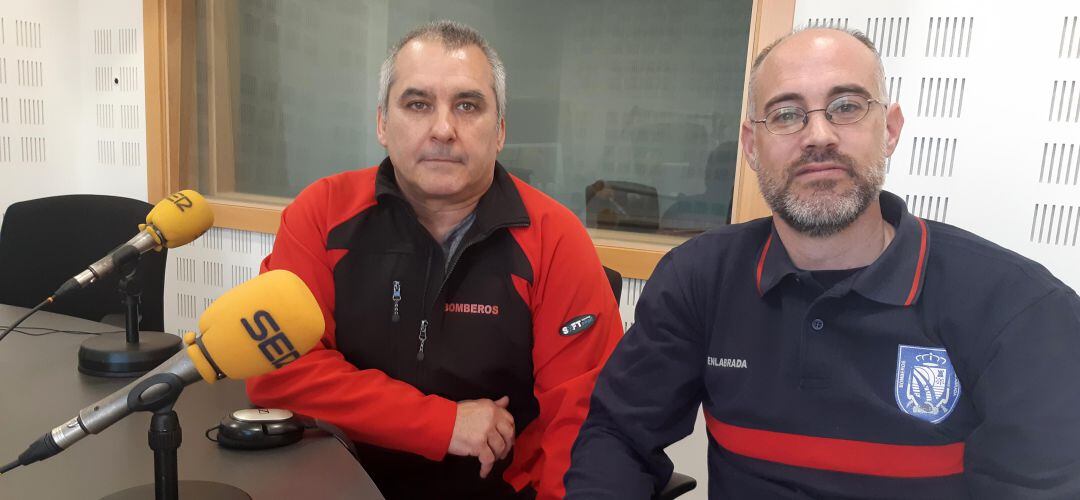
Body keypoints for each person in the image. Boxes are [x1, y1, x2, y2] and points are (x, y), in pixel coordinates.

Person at [565, 27, 1080, 499]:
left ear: (891, 130)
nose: (818, 136)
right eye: (786, 114)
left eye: (847, 106)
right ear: (751, 146)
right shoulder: (699, 278)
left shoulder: (1021, 310)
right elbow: (618, 436)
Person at [247, 20, 622, 500]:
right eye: (417, 104)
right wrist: (442, 424)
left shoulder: (556, 239)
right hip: (341, 480)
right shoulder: (321, 215)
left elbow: (583, 423)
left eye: (467, 105)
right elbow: (278, 371)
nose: (443, 129)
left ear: (501, 130)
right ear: (382, 122)